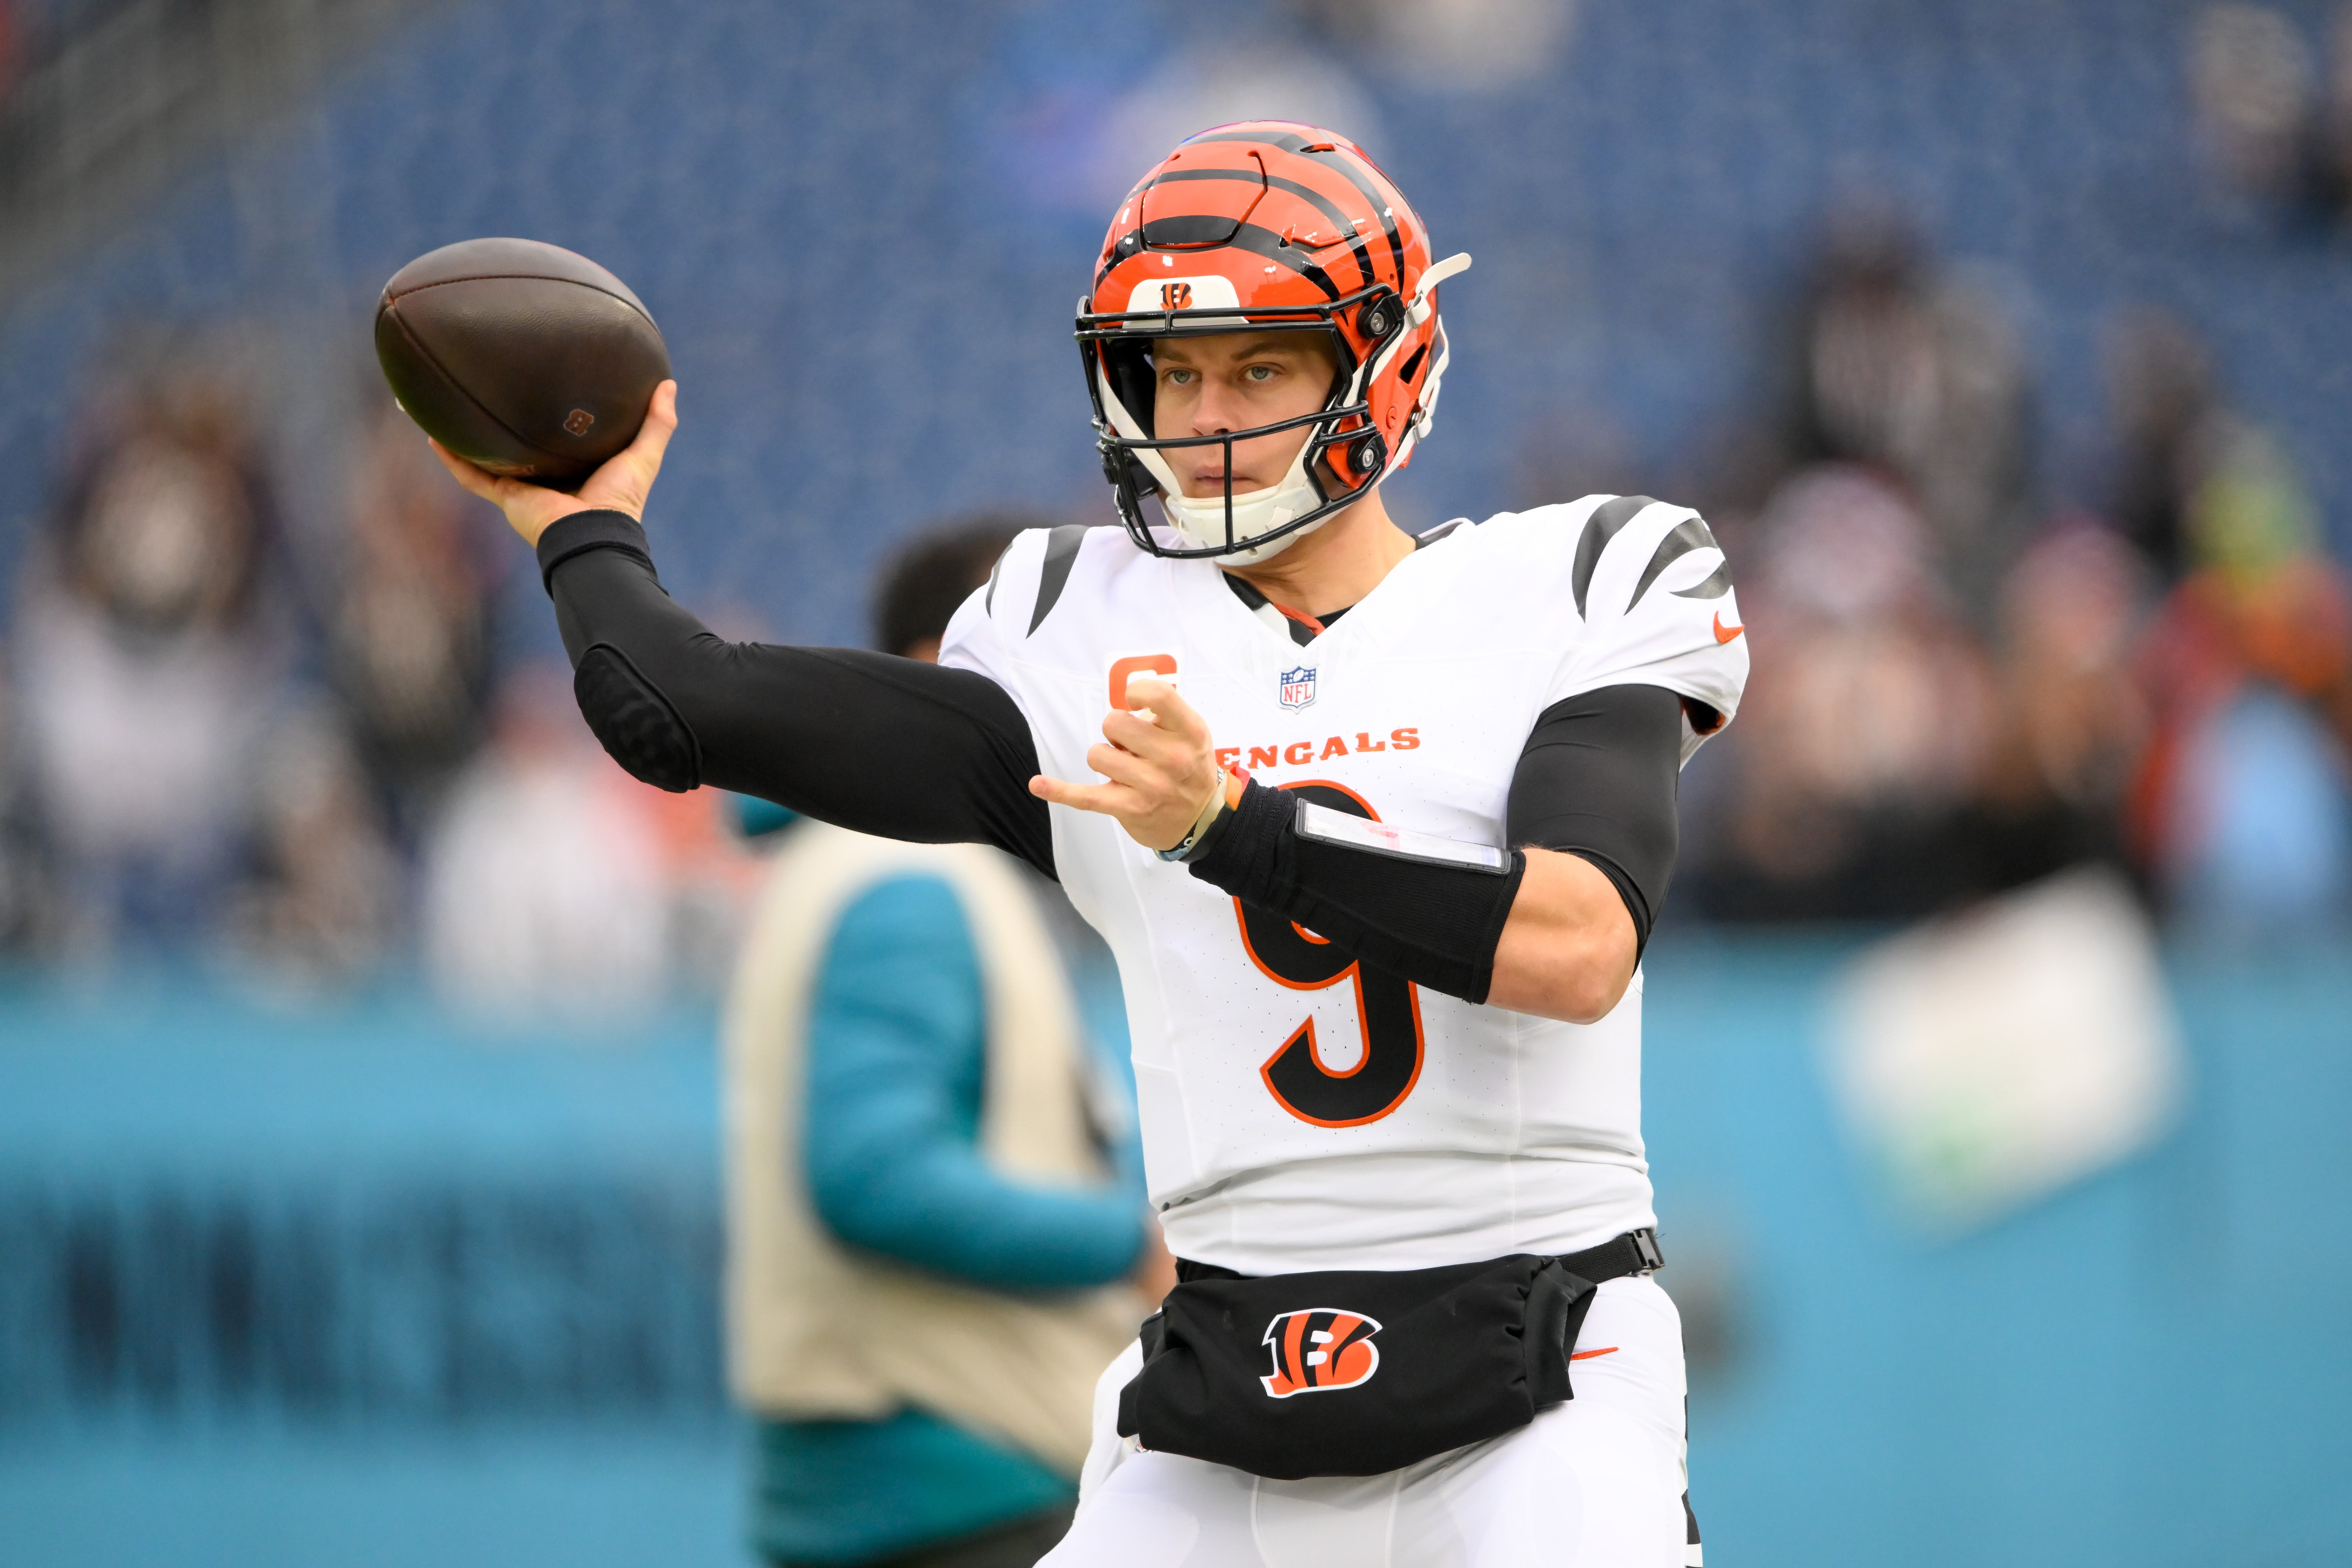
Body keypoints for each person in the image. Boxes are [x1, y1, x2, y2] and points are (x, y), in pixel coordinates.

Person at [436, 122, 1748, 1567]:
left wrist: (1233, 828)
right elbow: (682, 714)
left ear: (1380, 362)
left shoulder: (1571, 582)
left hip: (1539, 1366)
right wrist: (586, 531)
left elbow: (1573, 945)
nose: (1204, 416)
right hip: (1223, 1382)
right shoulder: (1075, 625)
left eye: (1257, 364)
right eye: (1171, 373)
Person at [723, 520, 1169, 1568]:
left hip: (925, 1483)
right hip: (954, 1485)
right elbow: (874, 1173)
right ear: (941, 669)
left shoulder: (877, 862)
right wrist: (1132, 1244)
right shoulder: (909, 875)